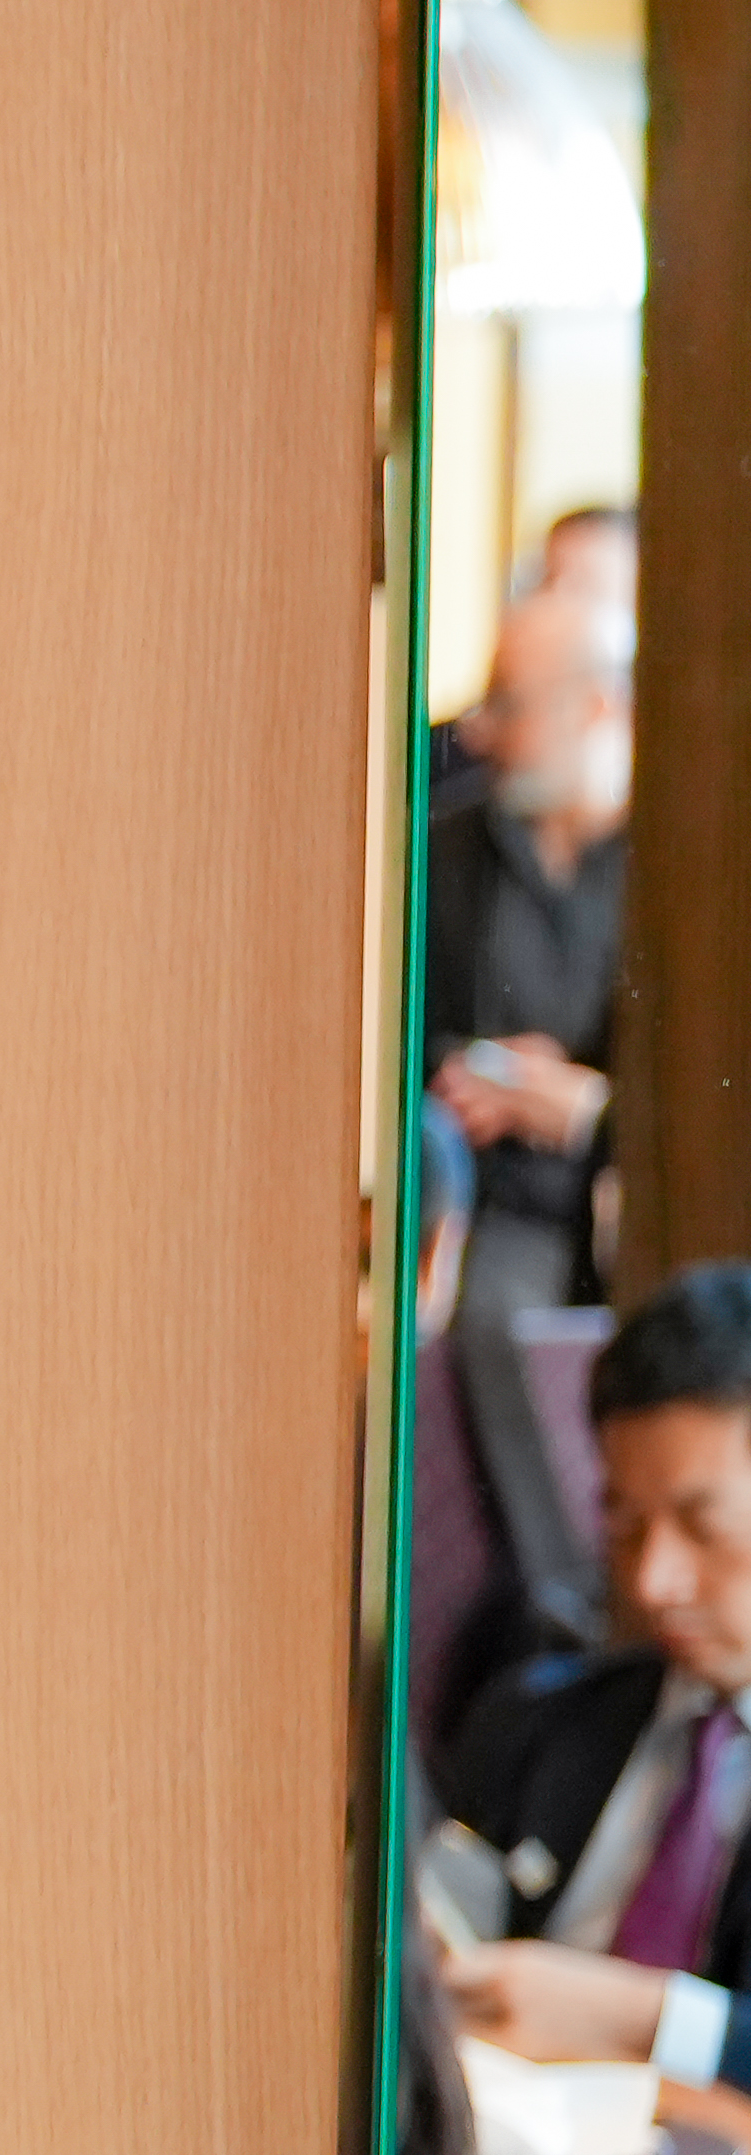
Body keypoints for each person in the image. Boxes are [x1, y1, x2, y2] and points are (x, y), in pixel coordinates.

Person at [437, 1259, 751, 2155]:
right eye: (624, 1524)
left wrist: (635, 2015)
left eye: (703, 1527)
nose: (655, 1578)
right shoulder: (544, 1722)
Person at [430, 508, 636, 1658]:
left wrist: (589, 1109)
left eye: (513, 705)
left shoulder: (675, 864)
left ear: (597, 708)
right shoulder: (449, 850)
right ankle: (558, 1616)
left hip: (629, 1194)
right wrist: (482, 1081)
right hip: (497, 1202)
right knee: (494, 1316)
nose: (486, 731)